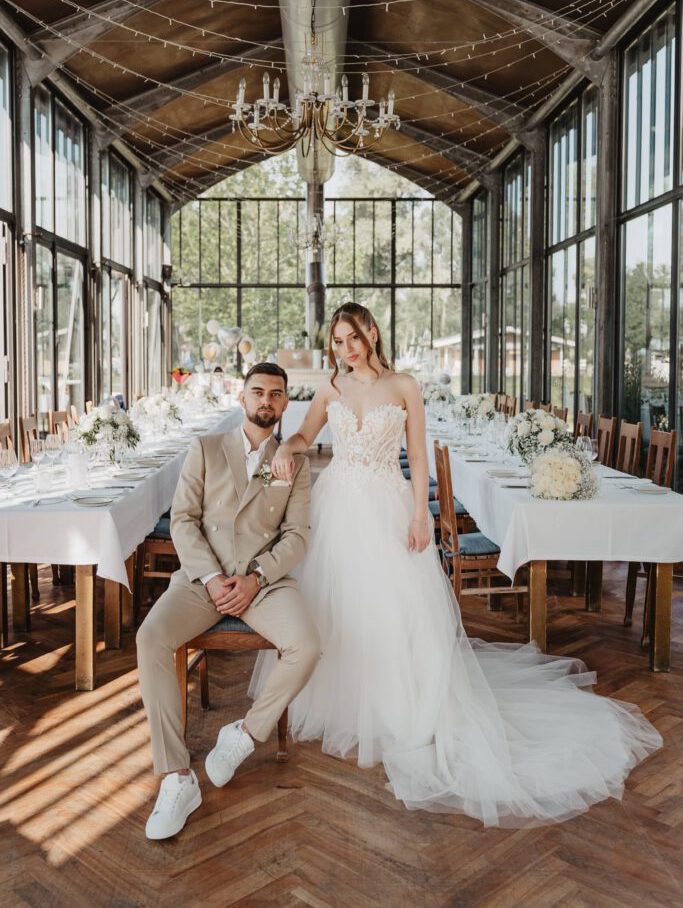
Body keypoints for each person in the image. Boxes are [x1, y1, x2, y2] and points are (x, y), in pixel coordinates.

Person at [254, 302, 662, 827]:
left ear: (372, 332)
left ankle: (398, 706)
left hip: (386, 503)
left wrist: (420, 515)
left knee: (392, 609)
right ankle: (339, 701)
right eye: (337, 341)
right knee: (335, 605)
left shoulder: (404, 385)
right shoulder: (332, 387)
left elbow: (418, 456)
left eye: (352, 337)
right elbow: (305, 436)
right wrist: (287, 445)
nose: (346, 349)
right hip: (338, 507)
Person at [137, 363, 320, 840]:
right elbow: (182, 521)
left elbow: (298, 535)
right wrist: (214, 576)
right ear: (242, 399)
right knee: (151, 638)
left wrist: (257, 578)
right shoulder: (206, 448)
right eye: (257, 392)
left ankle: (244, 734)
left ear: (284, 405)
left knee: (307, 646)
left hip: (262, 582)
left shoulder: (294, 464)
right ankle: (177, 777)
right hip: (203, 579)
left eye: (275, 395)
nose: (266, 401)